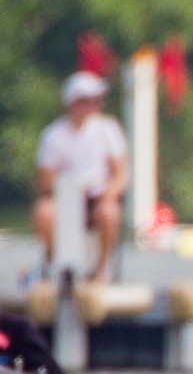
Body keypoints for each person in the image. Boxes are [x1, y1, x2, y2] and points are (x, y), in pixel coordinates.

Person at [33, 71, 128, 281]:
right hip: (66, 195)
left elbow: (120, 174)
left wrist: (107, 193)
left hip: (98, 196)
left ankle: (102, 270)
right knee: (44, 213)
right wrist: (70, 190)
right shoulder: (53, 135)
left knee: (109, 212)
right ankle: (60, 265)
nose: (93, 106)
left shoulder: (108, 129)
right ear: (73, 102)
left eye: (96, 100)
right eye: (87, 101)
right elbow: (46, 181)